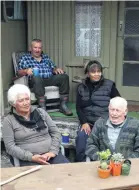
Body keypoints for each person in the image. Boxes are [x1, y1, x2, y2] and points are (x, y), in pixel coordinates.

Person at [2, 84, 69, 167]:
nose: (25, 103)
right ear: (13, 104)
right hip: (28, 159)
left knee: (67, 173)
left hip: (51, 155)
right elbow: (10, 147)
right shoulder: (8, 120)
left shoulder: (41, 112)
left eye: (27, 99)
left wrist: (52, 151)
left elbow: (56, 133)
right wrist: (31, 157)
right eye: (21, 100)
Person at [76, 60, 120, 162]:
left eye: (99, 71)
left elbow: (118, 102)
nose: (97, 74)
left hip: (104, 122)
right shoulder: (81, 87)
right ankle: (80, 165)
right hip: (88, 123)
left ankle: (106, 164)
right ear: (88, 73)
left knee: (106, 143)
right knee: (81, 138)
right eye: (93, 72)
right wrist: (84, 122)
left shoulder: (109, 85)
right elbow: (78, 107)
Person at [18, 38, 72, 116]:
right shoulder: (25, 58)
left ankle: (63, 105)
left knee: (64, 77)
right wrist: (26, 71)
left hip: (48, 79)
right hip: (35, 81)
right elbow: (18, 72)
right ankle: (42, 107)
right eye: (35, 47)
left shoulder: (45, 57)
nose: (37, 50)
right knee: (37, 77)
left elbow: (53, 68)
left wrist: (56, 70)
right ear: (31, 48)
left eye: (39, 48)